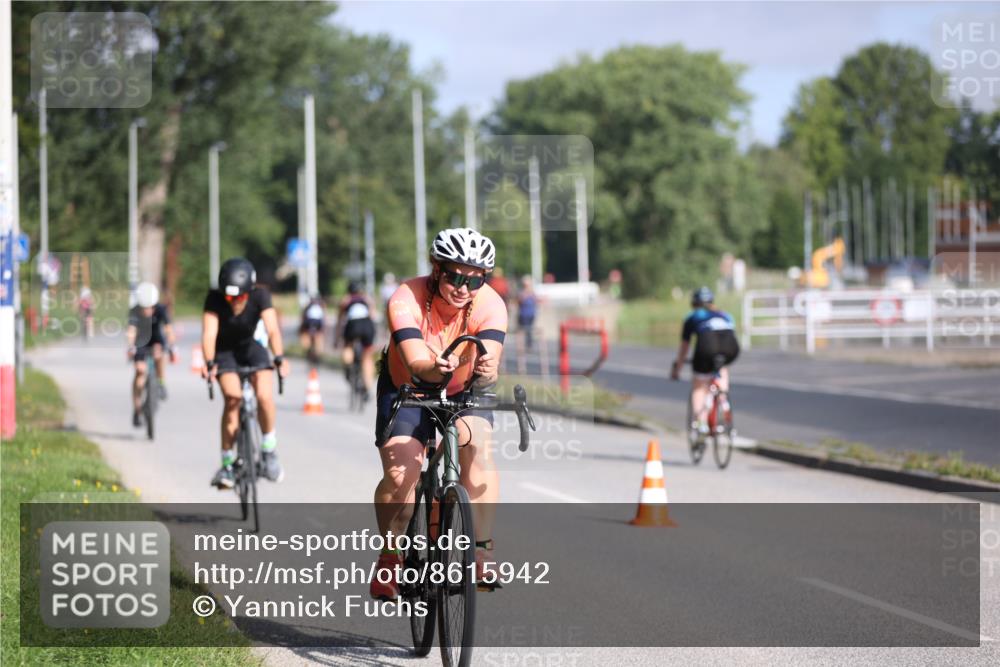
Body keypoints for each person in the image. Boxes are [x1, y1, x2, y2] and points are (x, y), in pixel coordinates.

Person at [371, 227, 506, 601]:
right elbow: (417, 362)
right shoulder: (406, 297)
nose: (463, 288)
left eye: (474, 280)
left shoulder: (490, 304)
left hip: (463, 389)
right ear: (436, 269)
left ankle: (481, 551)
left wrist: (487, 369)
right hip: (408, 386)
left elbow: (490, 360)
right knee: (402, 476)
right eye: (454, 277)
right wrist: (435, 368)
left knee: (476, 447)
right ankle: (390, 556)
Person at [201, 258, 290, 489]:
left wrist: (279, 357)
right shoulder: (214, 299)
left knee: (264, 396)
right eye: (229, 297)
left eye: (239, 297)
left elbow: (272, 330)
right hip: (224, 352)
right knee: (233, 399)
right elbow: (209, 334)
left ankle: (269, 450)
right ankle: (227, 464)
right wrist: (209, 362)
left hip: (252, 349)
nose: (234, 302)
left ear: (249, 292)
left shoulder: (261, 295)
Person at [670, 286, 740, 435]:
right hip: (731, 347)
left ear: (694, 303)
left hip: (707, 345)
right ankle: (723, 400)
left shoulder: (693, 316)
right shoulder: (725, 315)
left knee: (699, 387)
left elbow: (684, 347)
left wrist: (677, 367)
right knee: (722, 367)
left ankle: (701, 423)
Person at [127, 282, 177, 425]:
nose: (147, 310)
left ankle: (161, 382)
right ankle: (137, 409)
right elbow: (131, 331)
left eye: (150, 307)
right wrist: (130, 346)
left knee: (159, 354)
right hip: (141, 341)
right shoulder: (134, 311)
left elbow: (168, 329)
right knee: (140, 371)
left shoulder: (161, 309)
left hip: (156, 339)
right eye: (144, 307)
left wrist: (172, 346)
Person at [336, 280, 376, 399]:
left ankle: (348, 368)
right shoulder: (367, 299)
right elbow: (373, 316)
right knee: (367, 356)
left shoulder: (345, 300)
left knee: (348, 346)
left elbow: (339, 321)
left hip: (352, 325)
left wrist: (337, 339)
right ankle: (368, 388)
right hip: (367, 325)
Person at [298, 293, 326, 363]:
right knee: (318, 338)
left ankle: (309, 352)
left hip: (308, 324)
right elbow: (324, 319)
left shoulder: (307, 307)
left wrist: (301, 329)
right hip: (318, 324)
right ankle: (317, 354)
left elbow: (303, 318)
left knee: (307, 338)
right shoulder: (321, 306)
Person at [516, 275, 538, 351]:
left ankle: (529, 345)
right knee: (523, 330)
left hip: (531, 314)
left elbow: (535, 300)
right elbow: (519, 301)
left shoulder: (532, 292)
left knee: (529, 330)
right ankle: (523, 346)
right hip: (523, 314)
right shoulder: (521, 292)